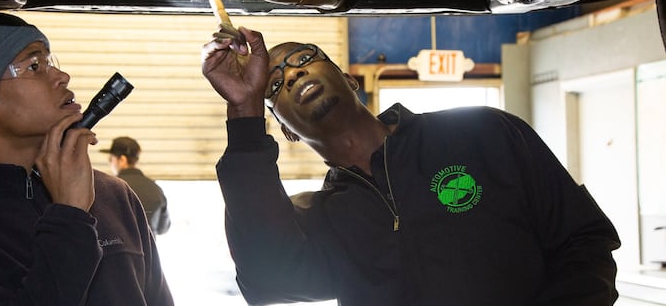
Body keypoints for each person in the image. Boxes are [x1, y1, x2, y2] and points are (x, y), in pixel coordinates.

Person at [201, 26, 621, 306]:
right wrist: (245, 108)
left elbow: (583, 241)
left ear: (349, 79)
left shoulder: (482, 133)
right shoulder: (319, 220)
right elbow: (268, 277)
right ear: (286, 130)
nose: (292, 75)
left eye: (303, 58)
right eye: (275, 85)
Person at [0, 12, 174, 306]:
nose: (62, 76)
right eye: (35, 66)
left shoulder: (115, 195)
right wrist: (70, 215)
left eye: (51, 62)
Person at [102, 136, 171, 235]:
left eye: (111, 158)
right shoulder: (156, 189)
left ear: (122, 160)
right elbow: (163, 228)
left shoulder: (108, 187)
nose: (110, 163)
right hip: (149, 249)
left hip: (118, 249)